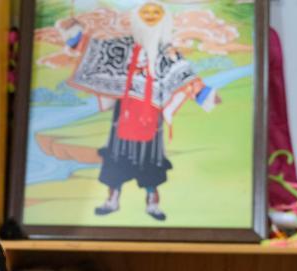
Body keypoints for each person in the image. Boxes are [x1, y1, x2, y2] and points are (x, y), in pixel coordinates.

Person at [58, 1, 221, 221]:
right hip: (124, 113)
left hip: (151, 116)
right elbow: (92, 49)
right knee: (116, 156)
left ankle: (152, 202)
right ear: (137, 17)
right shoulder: (122, 46)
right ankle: (112, 199)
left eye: (156, 13)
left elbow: (185, 77)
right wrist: (73, 32)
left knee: (151, 159)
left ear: (164, 19)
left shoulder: (168, 53)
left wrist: (205, 96)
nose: (150, 16)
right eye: (146, 12)